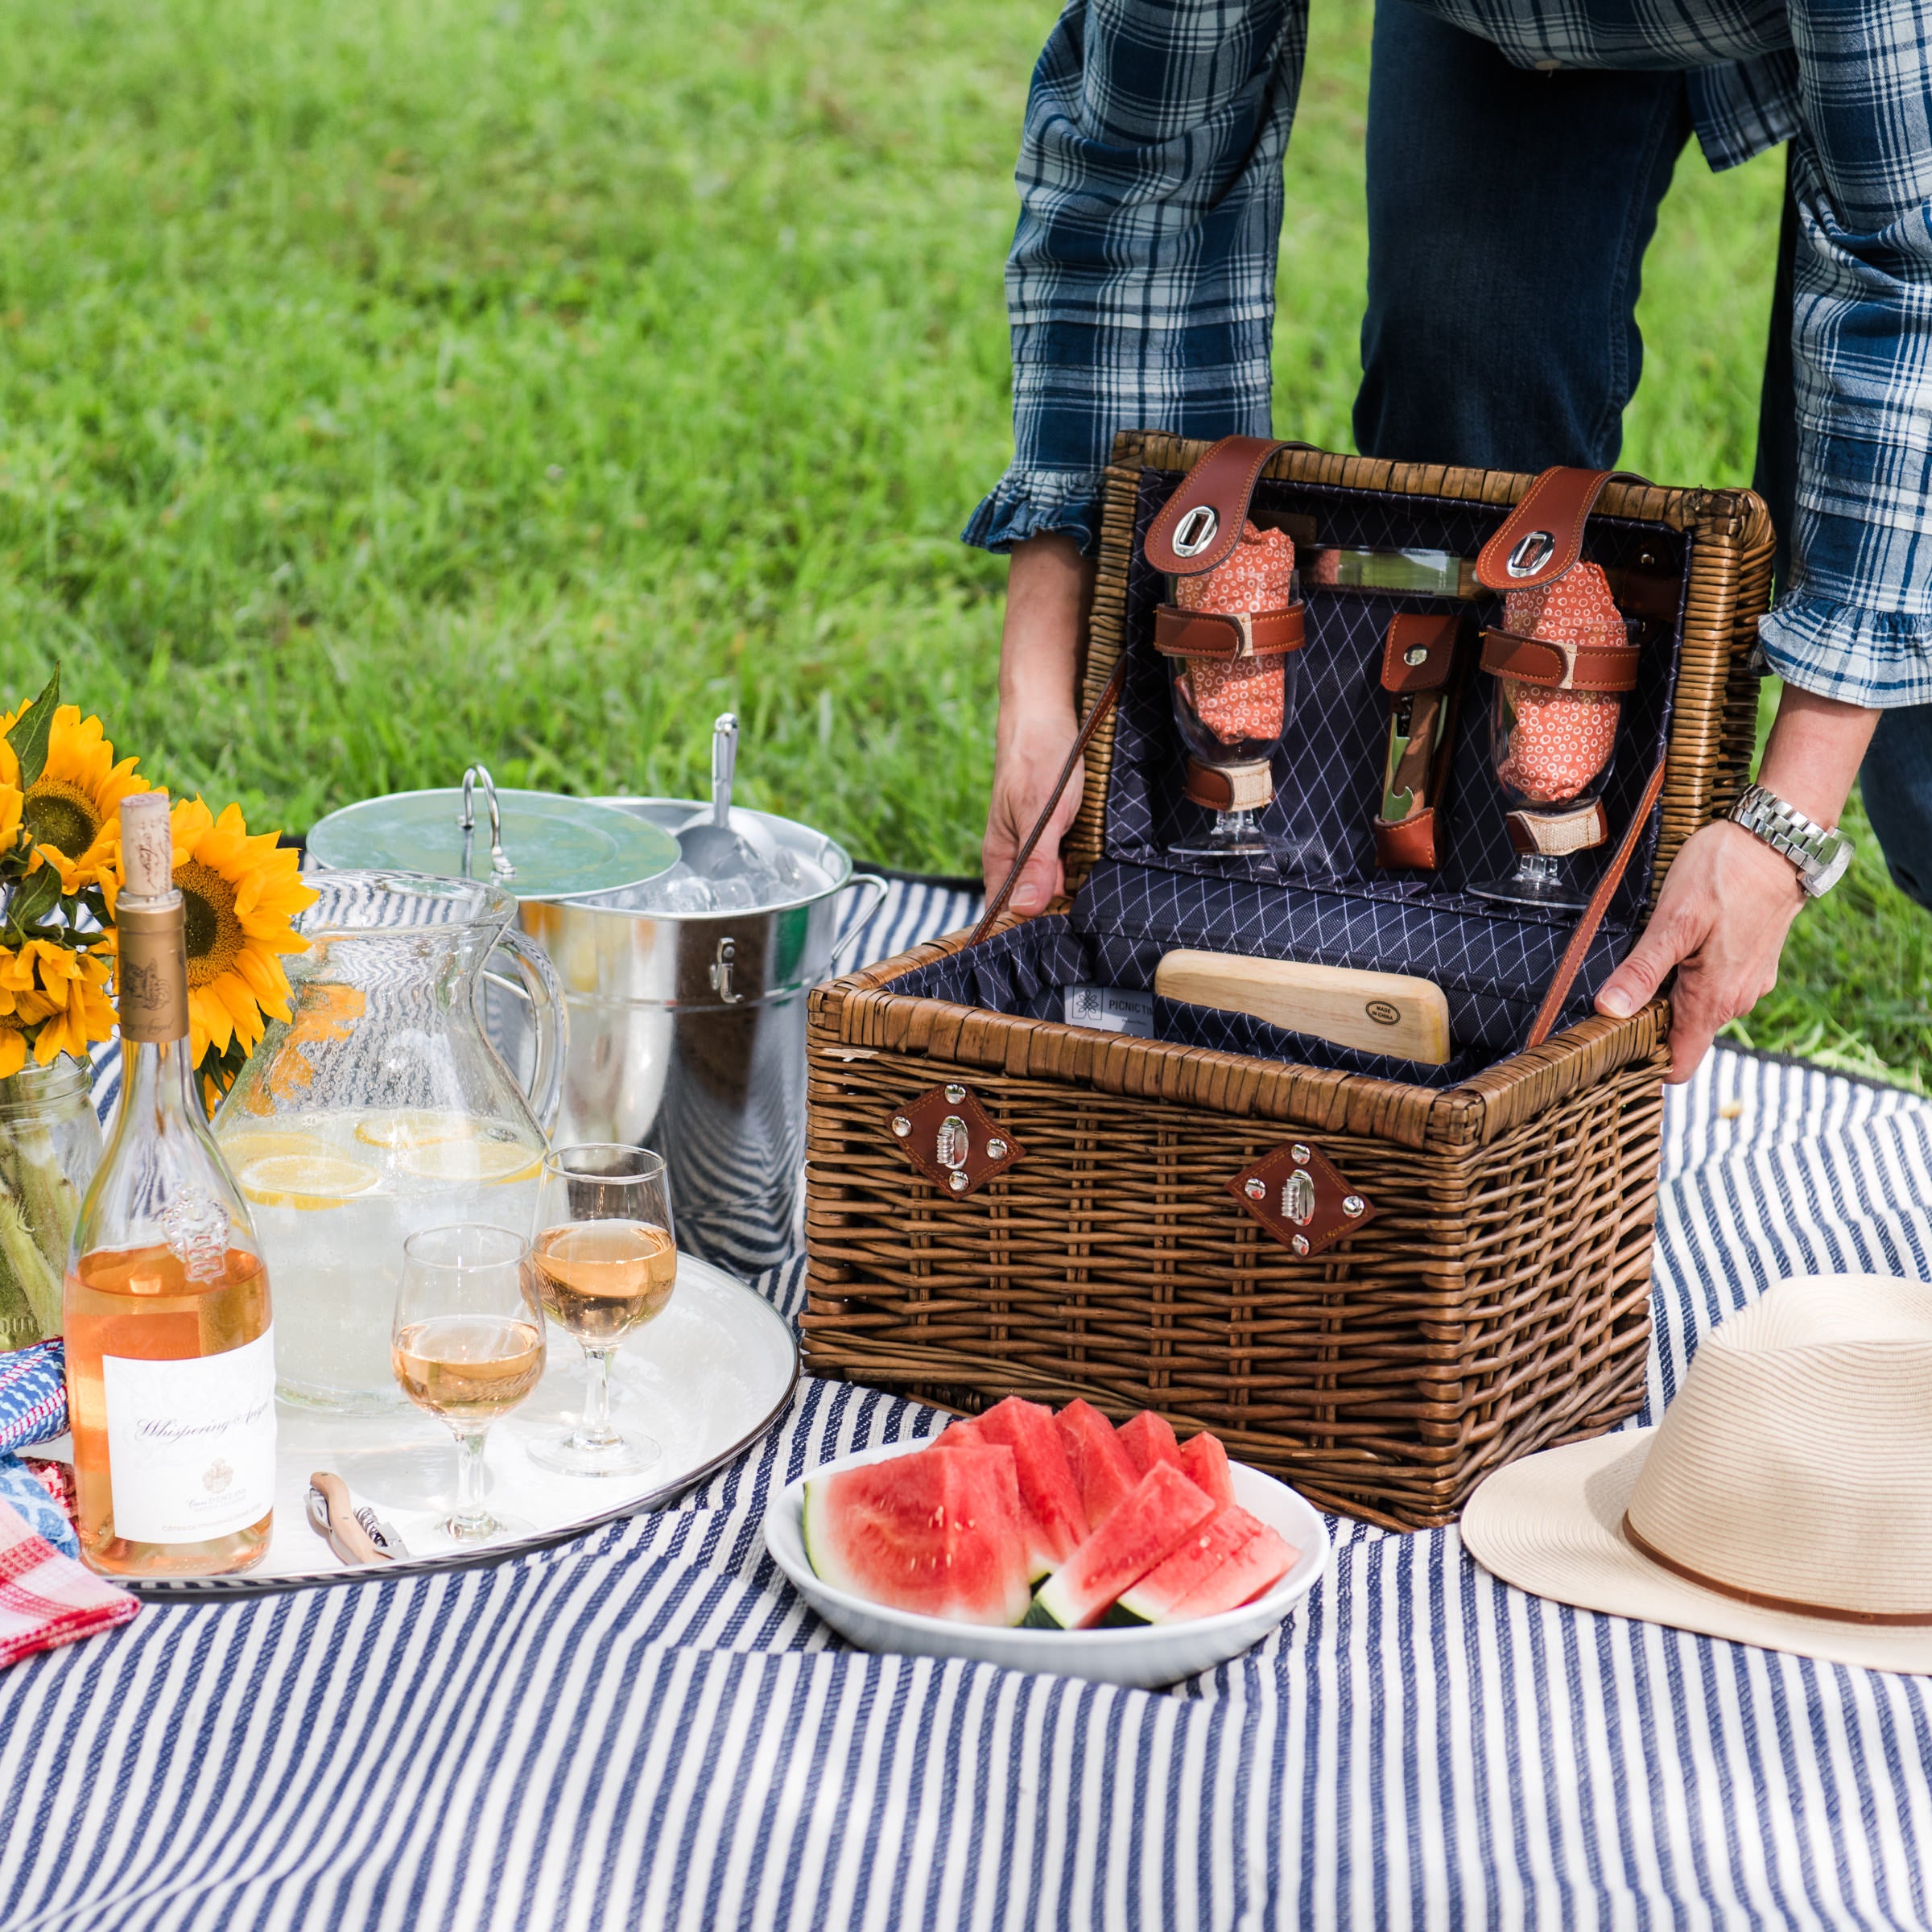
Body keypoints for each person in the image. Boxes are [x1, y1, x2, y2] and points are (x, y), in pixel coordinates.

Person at [968, 0, 1932, 1083]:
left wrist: (1786, 831)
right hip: (1497, 25)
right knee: (1466, 398)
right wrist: (1039, 695)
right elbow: (1140, 176)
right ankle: (1494, 964)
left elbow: (1909, 270)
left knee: (1918, 768)